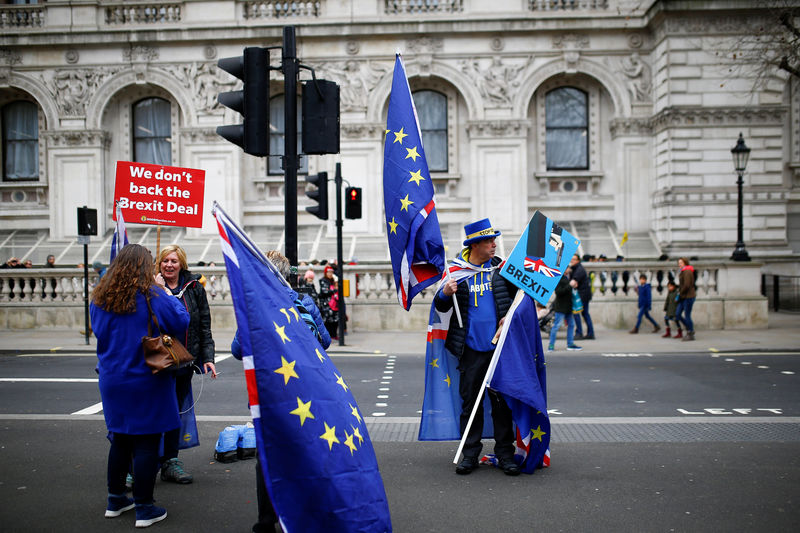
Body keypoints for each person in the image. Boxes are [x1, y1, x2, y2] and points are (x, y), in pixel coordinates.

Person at [90, 244, 190, 528]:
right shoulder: (152, 293)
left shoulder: (100, 296)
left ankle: (116, 499)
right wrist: (166, 291)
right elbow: (182, 320)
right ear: (146, 267)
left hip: (112, 378)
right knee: (147, 442)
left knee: (120, 438)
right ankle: (145, 508)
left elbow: (99, 331)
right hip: (147, 377)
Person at [231, 250, 331, 533]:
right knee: (306, 452)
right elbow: (324, 342)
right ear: (287, 275)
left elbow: (238, 350)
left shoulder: (253, 306)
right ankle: (302, 517)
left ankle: (266, 521)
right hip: (304, 392)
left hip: (270, 394)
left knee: (269, 456)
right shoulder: (304, 302)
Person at [434, 218, 520, 476]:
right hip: (470, 350)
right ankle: (470, 453)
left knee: (502, 403)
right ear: (474, 245)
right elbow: (440, 308)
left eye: (494, 240)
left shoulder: (502, 270)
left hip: (500, 349)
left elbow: (522, 299)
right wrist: (444, 294)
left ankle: (506, 454)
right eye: (489, 241)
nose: (494, 245)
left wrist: (511, 315)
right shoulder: (455, 273)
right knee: (470, 404)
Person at [154, 245, 217, 484]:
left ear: (182, 264)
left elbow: (203, 325)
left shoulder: (194, 288)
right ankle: (135, 465)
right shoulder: (151, 287)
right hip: (158, 362)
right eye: (165, 261)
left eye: (174, 261)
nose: (169, 265)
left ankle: (170, 460)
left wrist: (208, 357)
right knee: (153, 412)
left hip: (183, 362)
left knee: (175, 413)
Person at [547, 270, 582, 352]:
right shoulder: (559, 278)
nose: (569, 269)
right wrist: (570, 285)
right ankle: (551, 345)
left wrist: (573, 286)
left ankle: (570, 344)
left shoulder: (569, 276)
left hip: (568, 306)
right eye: (568, 267)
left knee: (571, 325)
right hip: (561, 307)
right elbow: (559, 292)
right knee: (556, 326)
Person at [569, 254, 595, 340]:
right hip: (584, 295)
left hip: (582, 296)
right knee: (585, 314)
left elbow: (573, 283)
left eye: (574, 259)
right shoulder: (576, 268)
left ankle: (579, 333)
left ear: (578, 261)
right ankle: (590, 333)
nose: (572, 261)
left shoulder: (579, 270)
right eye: (571, 259)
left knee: (577, 313)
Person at [676, 256, 697, 341]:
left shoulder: (687, 271)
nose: (679, 264)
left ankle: (690, 332)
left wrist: (681, 293)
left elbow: (687, 285)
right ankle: (689, 328)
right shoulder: (683, 271)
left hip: (688, 296)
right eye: (679, 263)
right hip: (683, 296)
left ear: (685, 263)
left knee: (687, 315)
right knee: (677, 314)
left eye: (681, 263)